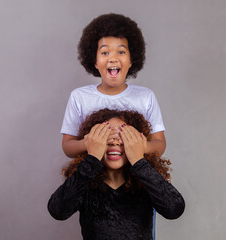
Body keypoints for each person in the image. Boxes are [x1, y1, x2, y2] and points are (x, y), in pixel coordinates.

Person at [48, 109, 185, 239]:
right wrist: (92, 159)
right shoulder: (85, 182)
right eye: (106, 137)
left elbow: (174, 209)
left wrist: (138, 160)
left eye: (123, 137)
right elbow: (58, 210)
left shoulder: (145, 181)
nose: (114, 142)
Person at [61, 13, 166, 159]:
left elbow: (160, 143)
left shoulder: (145, 96)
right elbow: (67, 147)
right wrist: (87, 143)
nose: (113, 58)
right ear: (95, 61)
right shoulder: (80, 97)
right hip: (92, 176)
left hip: (135, 177)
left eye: (121, 51)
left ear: (131, 60)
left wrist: (144, 146)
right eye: (105, 52)